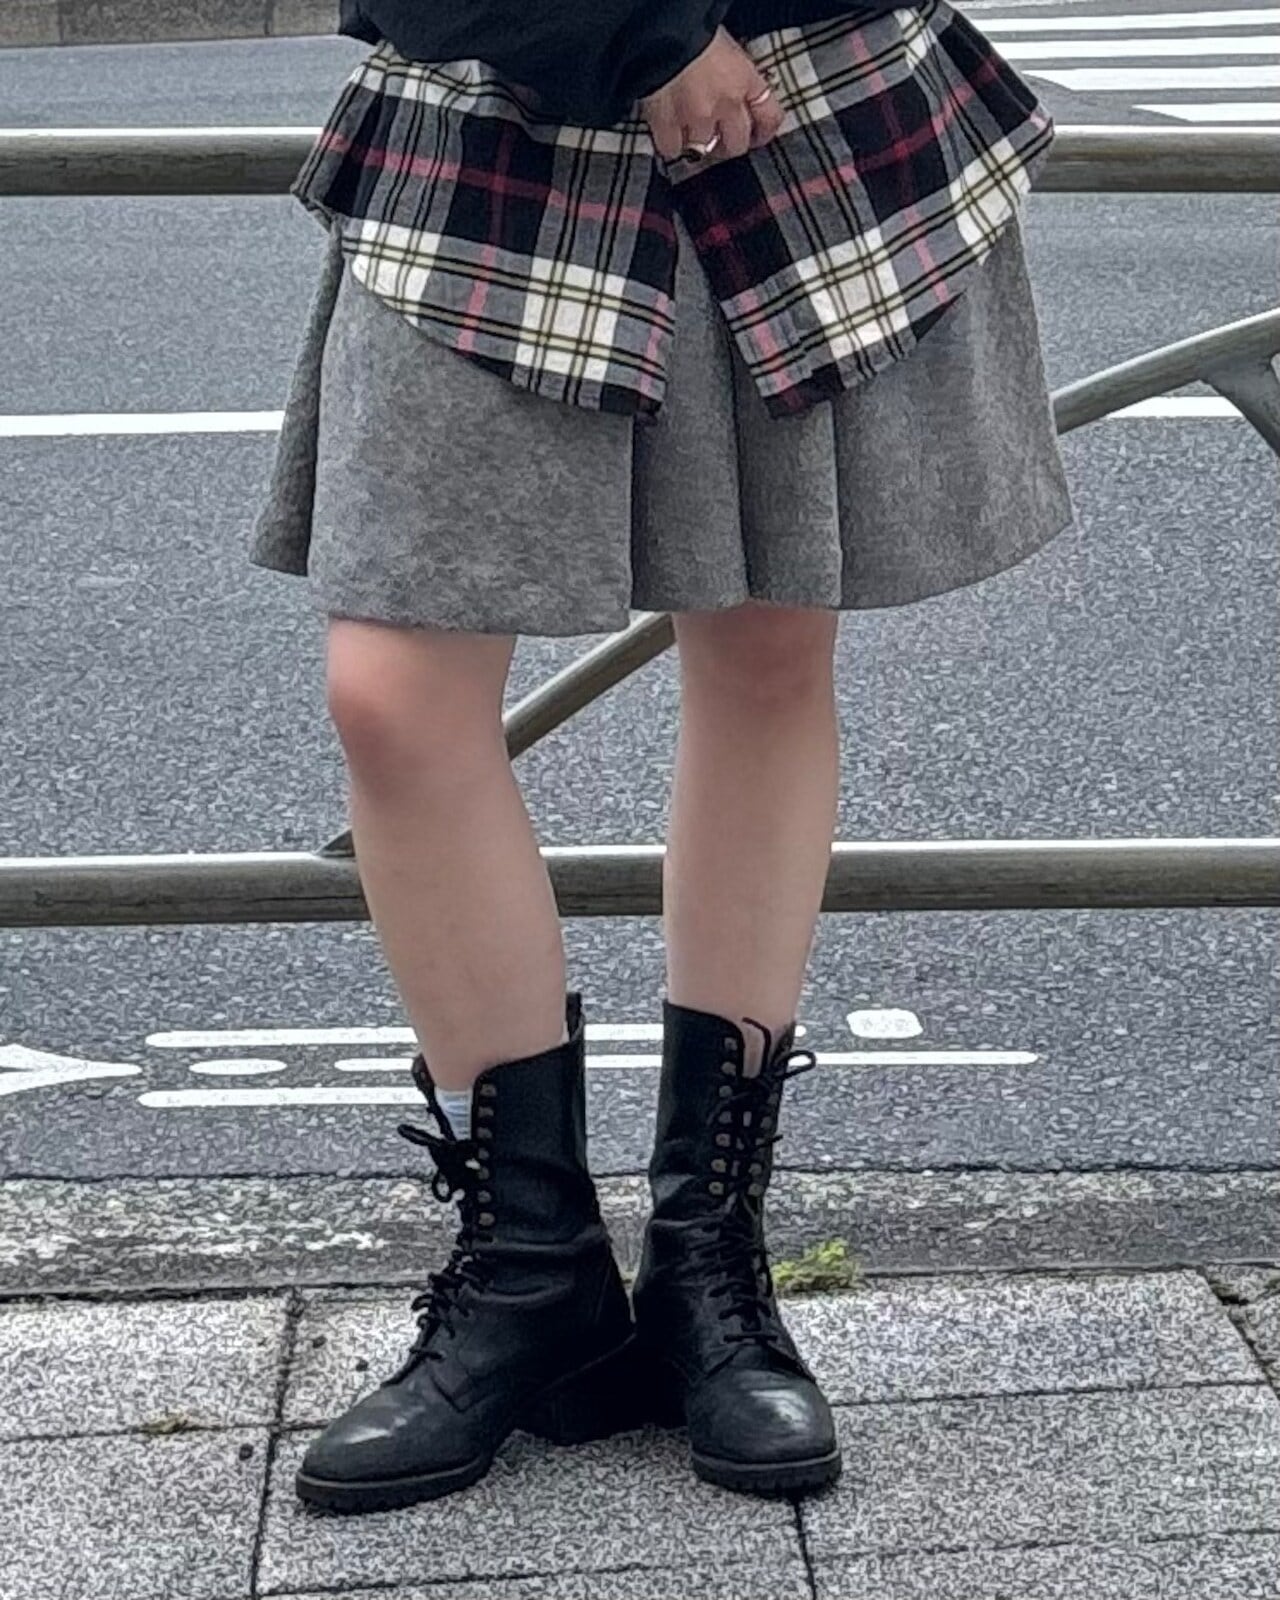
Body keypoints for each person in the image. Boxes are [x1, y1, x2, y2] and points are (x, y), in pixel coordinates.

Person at [248, 0, 1075, 1513]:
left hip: (786, 96)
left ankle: (709, 1259)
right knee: (393, 695)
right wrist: (635, 31)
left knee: (765, 651)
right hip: (494, 91)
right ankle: (530, 1269)